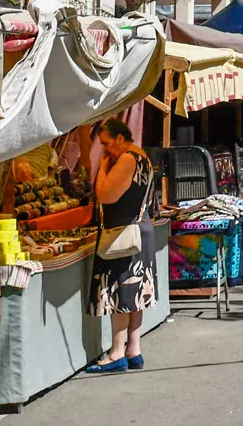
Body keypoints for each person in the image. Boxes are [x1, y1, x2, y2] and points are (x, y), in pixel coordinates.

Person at [85, 118, 157, 373]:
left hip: (123, 236)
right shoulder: (143, 158)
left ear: (119, 138)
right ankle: (133, 350)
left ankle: (117, 353)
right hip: (138, 232)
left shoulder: (127, 159)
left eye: (106, 144)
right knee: (135, 295)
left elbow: (106, 195)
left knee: (121, 294)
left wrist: (102, 168)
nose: (104, 149)